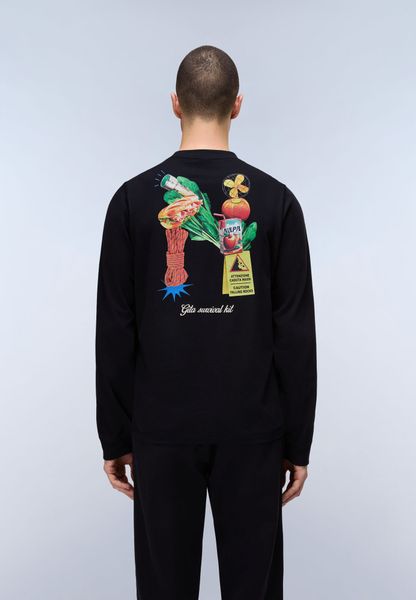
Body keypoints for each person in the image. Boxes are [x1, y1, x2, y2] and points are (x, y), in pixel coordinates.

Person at [95, 45, 317, 600]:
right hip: (254, 430)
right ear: (237, 105)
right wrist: (298, 442)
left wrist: (115, 435)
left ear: (175, 103)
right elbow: (295, 333)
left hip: (160, 429)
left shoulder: (129, 202)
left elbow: (115, 328)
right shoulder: (278, 202)